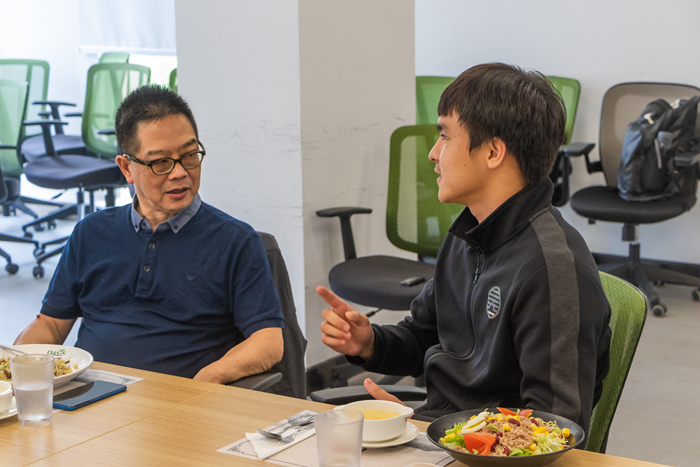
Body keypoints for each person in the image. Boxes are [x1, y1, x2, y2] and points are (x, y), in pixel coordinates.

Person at [317, 63, 611, 434]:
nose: (433, 153)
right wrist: (369, 342)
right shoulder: (468, 235)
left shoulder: (551, 270)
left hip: (481, 452)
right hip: (444, 435)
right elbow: (425, 335)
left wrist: (432, 431)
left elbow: (553, 428)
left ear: (493, 152)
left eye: (445, 136)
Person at [15, 85, 284, 384]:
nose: (180, 172)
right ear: (127, 168)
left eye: (190, 155)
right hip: (89, 396)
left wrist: (209, 379)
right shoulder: (90, 233)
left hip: (182, 400)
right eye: (160, 163)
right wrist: (13, 365)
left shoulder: (235, 241)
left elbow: (268, 341)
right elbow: (51, 325)